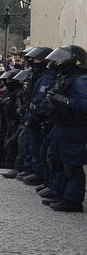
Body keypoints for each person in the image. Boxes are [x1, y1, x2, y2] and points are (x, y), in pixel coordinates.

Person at [42, 45, 87, 212]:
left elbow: (84, 104)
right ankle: (59, 192)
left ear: (74, 61)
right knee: (56, 160)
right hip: (61, 125)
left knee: (71, 163)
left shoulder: (81, 79)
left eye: (62, 59)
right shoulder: (66, 77)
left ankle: (73, 200)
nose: (58, 62)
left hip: (75, 128)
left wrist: (65, 101)